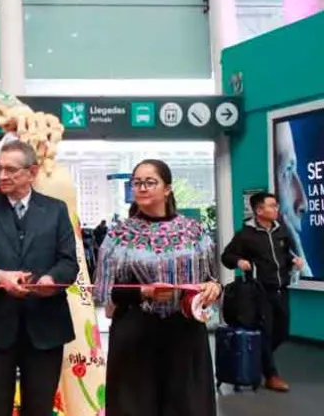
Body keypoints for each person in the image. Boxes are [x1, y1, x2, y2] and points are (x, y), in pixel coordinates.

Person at [0, 140, 78, 416]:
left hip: (45, 326)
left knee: (39, 408)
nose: (3, 176)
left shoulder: (56, 210)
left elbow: (69, 263)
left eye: (11, 170)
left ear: (32, 172)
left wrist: (50, 280)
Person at [94, 159, 221, 415]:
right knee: (135, 405)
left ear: (167, 189)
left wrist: (213, 288)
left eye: (150, 182)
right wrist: (143, 292)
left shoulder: (193, 231)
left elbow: (212, 279)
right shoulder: (119, 235)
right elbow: (102, 290)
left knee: (187, 404)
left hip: (185, 331)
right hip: (135, 331)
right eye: (137, 183)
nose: (142, 188)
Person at [220, 191, 304, 392]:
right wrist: (239, 261)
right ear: (259, 210)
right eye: (272, 206)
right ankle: (271, 375)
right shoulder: (245, 235)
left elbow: (287, 253)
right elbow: (226, 256)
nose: (276, 209)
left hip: (281, 288)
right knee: (265, 332)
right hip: (258, 291)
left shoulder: (281, 230)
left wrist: (294, 260)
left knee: (282, 331)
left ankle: (256, 358)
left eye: (276, 205)